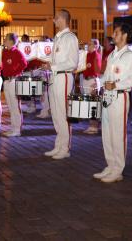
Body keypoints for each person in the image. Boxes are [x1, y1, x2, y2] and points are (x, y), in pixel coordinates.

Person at [93, 23, 132, 183]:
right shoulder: (112, 55)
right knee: (107, 132)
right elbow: (106, 76)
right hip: (108, 97)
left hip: (120, 96)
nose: (113, 35)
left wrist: (116, 85)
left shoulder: (130, 56)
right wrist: (99, 83)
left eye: (117, 32)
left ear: (125, 35)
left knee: (118, 133)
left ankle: (118, 169)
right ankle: (110, 165)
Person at [41, 9, 79, 160]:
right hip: (55, 78)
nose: (54, 20)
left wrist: (53, 67)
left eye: (56, 18)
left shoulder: (70, 38)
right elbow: (56, 60)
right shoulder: (58, 38)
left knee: (63, 114)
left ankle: (65, 148)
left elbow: (73, 62)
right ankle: (59, 145)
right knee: (56, 114)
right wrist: (49, 65)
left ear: (63, 19)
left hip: (63, 77)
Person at [2, 33, 28, 137]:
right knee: (10, 106)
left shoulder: (17, 52)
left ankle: (17, 129)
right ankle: (13, 128)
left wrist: (16, 73)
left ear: (11, 41)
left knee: (15, 106)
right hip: (7, 81)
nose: (4, 40)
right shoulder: (5, 52)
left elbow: (24, 64)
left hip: (14, 81)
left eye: (5, 39)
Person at [82, 39, 102, 134]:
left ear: (95, 46)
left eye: (90, 44)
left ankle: (94, 126)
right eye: (88, 44)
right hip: (86, 80)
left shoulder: (96, 55)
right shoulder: (87, 55)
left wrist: (95, 82)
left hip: (92, 80)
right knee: (89, 104)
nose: (88, 46)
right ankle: (91, 125)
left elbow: (98, 71)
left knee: (93, 105)